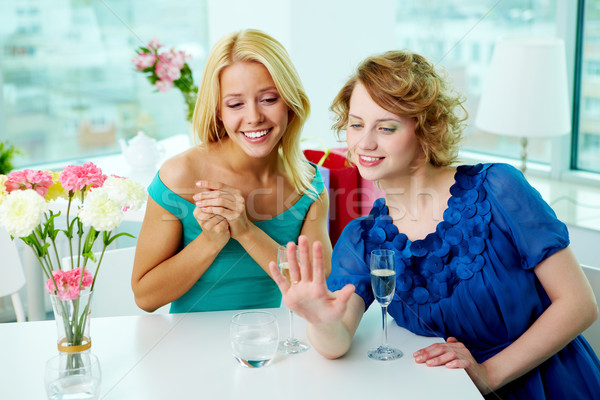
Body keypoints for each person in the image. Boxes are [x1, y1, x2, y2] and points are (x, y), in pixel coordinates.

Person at [269, 50, 600, 399]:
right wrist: (319, 319)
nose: (364, 143)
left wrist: (487, 375)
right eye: (356, 124)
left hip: (551, 382)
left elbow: (578, 304)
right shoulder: (363, 240)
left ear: (425, 130)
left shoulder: (498, 188)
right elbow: (336, 341)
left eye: (386, 127)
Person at [132, 29, 331, 313]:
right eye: (236, 104)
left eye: (269, 99)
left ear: (290, 102)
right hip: (187, 348)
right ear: (218, 111)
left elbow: (316, 285)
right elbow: (145, 298)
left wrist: (246, 230)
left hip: (275, 345)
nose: (253, 118)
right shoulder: (180, 175)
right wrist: (210, 241)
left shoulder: (309, 183)